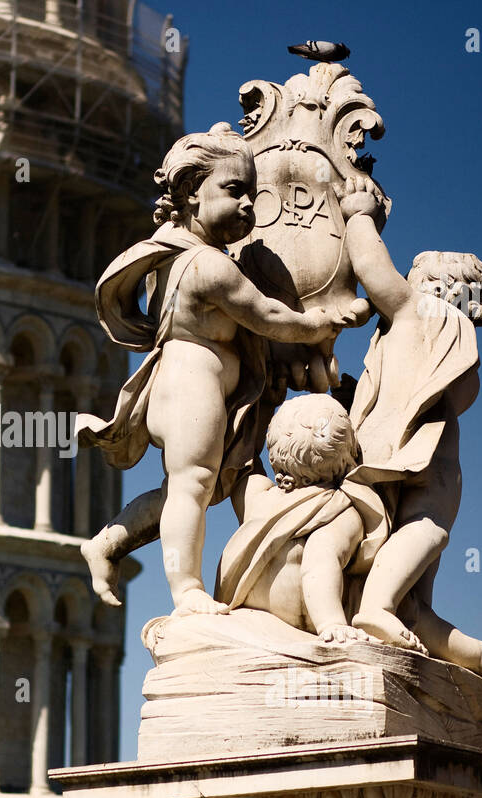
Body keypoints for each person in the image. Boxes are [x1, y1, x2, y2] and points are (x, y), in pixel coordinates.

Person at [78, 122, 366, 615]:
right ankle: (186, 590)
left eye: (253, 193)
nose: (250, 204)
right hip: (193, 384)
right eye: (235, 190)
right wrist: (319, 322)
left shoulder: (175, 254)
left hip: (195, 383)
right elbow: (268, 316)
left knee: (196, 487)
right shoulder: (210, 267)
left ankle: (107, 543)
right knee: (192, 486)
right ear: (191, 191)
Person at [336, 176, 482, 683]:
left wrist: (361, 215)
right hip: (427, 466)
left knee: (415, 586)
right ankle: (377, 607)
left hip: (406, 458)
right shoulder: (427, 321)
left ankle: (478, 656)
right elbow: (373, 269)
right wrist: (358, 214)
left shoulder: (417, 318)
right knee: (427, 533)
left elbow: (372, 269)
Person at [215, 393, 388, 642]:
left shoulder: (258, 494)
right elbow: (321, 559)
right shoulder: (340, 509)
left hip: (244, 619)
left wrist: (256, 396)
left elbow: (241, 463)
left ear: (273, 448)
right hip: (304, 625)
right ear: (347, 453)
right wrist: (331, 622)